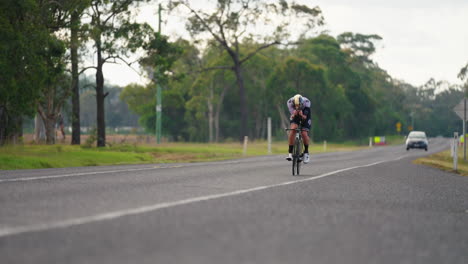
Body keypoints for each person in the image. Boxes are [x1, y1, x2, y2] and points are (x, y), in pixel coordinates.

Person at [286, 94, 311, 163]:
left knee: (304, 132)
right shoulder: (289, 103)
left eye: (298, 105)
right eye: (295, 106)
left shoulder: (307, 102)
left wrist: (302, 114)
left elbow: (305, 117)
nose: (297, 107)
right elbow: (293, 115)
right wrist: (294, 113)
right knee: (293, 129)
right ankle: (290, 153)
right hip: (295, 114)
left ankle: (306, 152)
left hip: (305, 115)